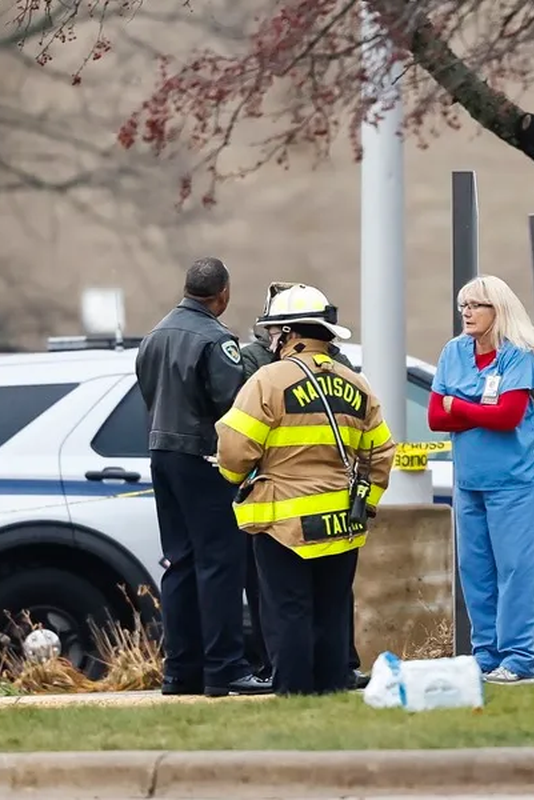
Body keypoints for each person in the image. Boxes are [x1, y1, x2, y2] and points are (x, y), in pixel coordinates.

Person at [216, 284, 397, 696]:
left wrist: (235, 478)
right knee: (333, 610)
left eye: (275, 332)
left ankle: (294, 694)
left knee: (287, 611)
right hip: (341, 524)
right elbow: (381, 453)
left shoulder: (268, 381)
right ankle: (332, 689)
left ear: (289, 334)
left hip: (285, 525)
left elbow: (234, 449)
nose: (272, 340)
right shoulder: (357, 384)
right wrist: (363, 504)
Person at [134, 256, 273, 698]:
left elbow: (146, 390)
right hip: (202, 458)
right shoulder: (216, 340)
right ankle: (225, 668)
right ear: (223, 294)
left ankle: (180, 671)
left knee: (179, 562)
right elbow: (232, 406)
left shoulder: (154, 336)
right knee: (221, 563)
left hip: (162, 454)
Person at [427, 275, 534, 686]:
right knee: (475, 569)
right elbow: (433, 417)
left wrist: (457, 404)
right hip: (469, 481)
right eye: (464, 304)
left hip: (513, 480)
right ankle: (486, 655)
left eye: (477, 305)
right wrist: (474, 407)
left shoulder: (519, 356)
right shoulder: (453, 352)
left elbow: (507, 417)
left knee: (514, 569)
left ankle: (519, 659)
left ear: (499, 311)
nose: (467, 312)